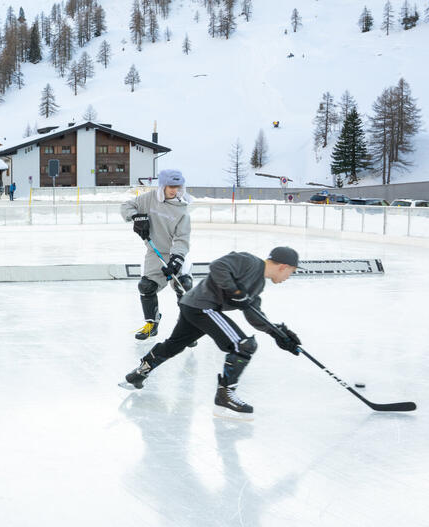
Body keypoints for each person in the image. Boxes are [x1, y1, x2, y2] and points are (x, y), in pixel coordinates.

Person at [122, 247, 304, 417]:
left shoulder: (258, 284)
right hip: (203, 307)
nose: (289, 276)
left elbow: (252, 312)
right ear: (283, 266)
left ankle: (138, 373)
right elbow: (218, 266)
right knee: (243, 346)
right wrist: (235, 291)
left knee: (174, 345)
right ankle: (225, 395)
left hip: (192, 304)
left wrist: (278, 333)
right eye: (292, 271)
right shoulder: (249, 261)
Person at [120, 169, 193, 340]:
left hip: (176, 252)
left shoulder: (182, 210)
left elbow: (182, 239)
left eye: (177, 187)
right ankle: (152, 323)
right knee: (146, 286)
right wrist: (136, 218)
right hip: (155, 252)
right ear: (162, 186)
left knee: (184, 286)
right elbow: (126, 206)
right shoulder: (149, 199)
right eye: (171, 186)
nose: (174, 190)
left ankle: (187, 328)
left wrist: (176, 260)